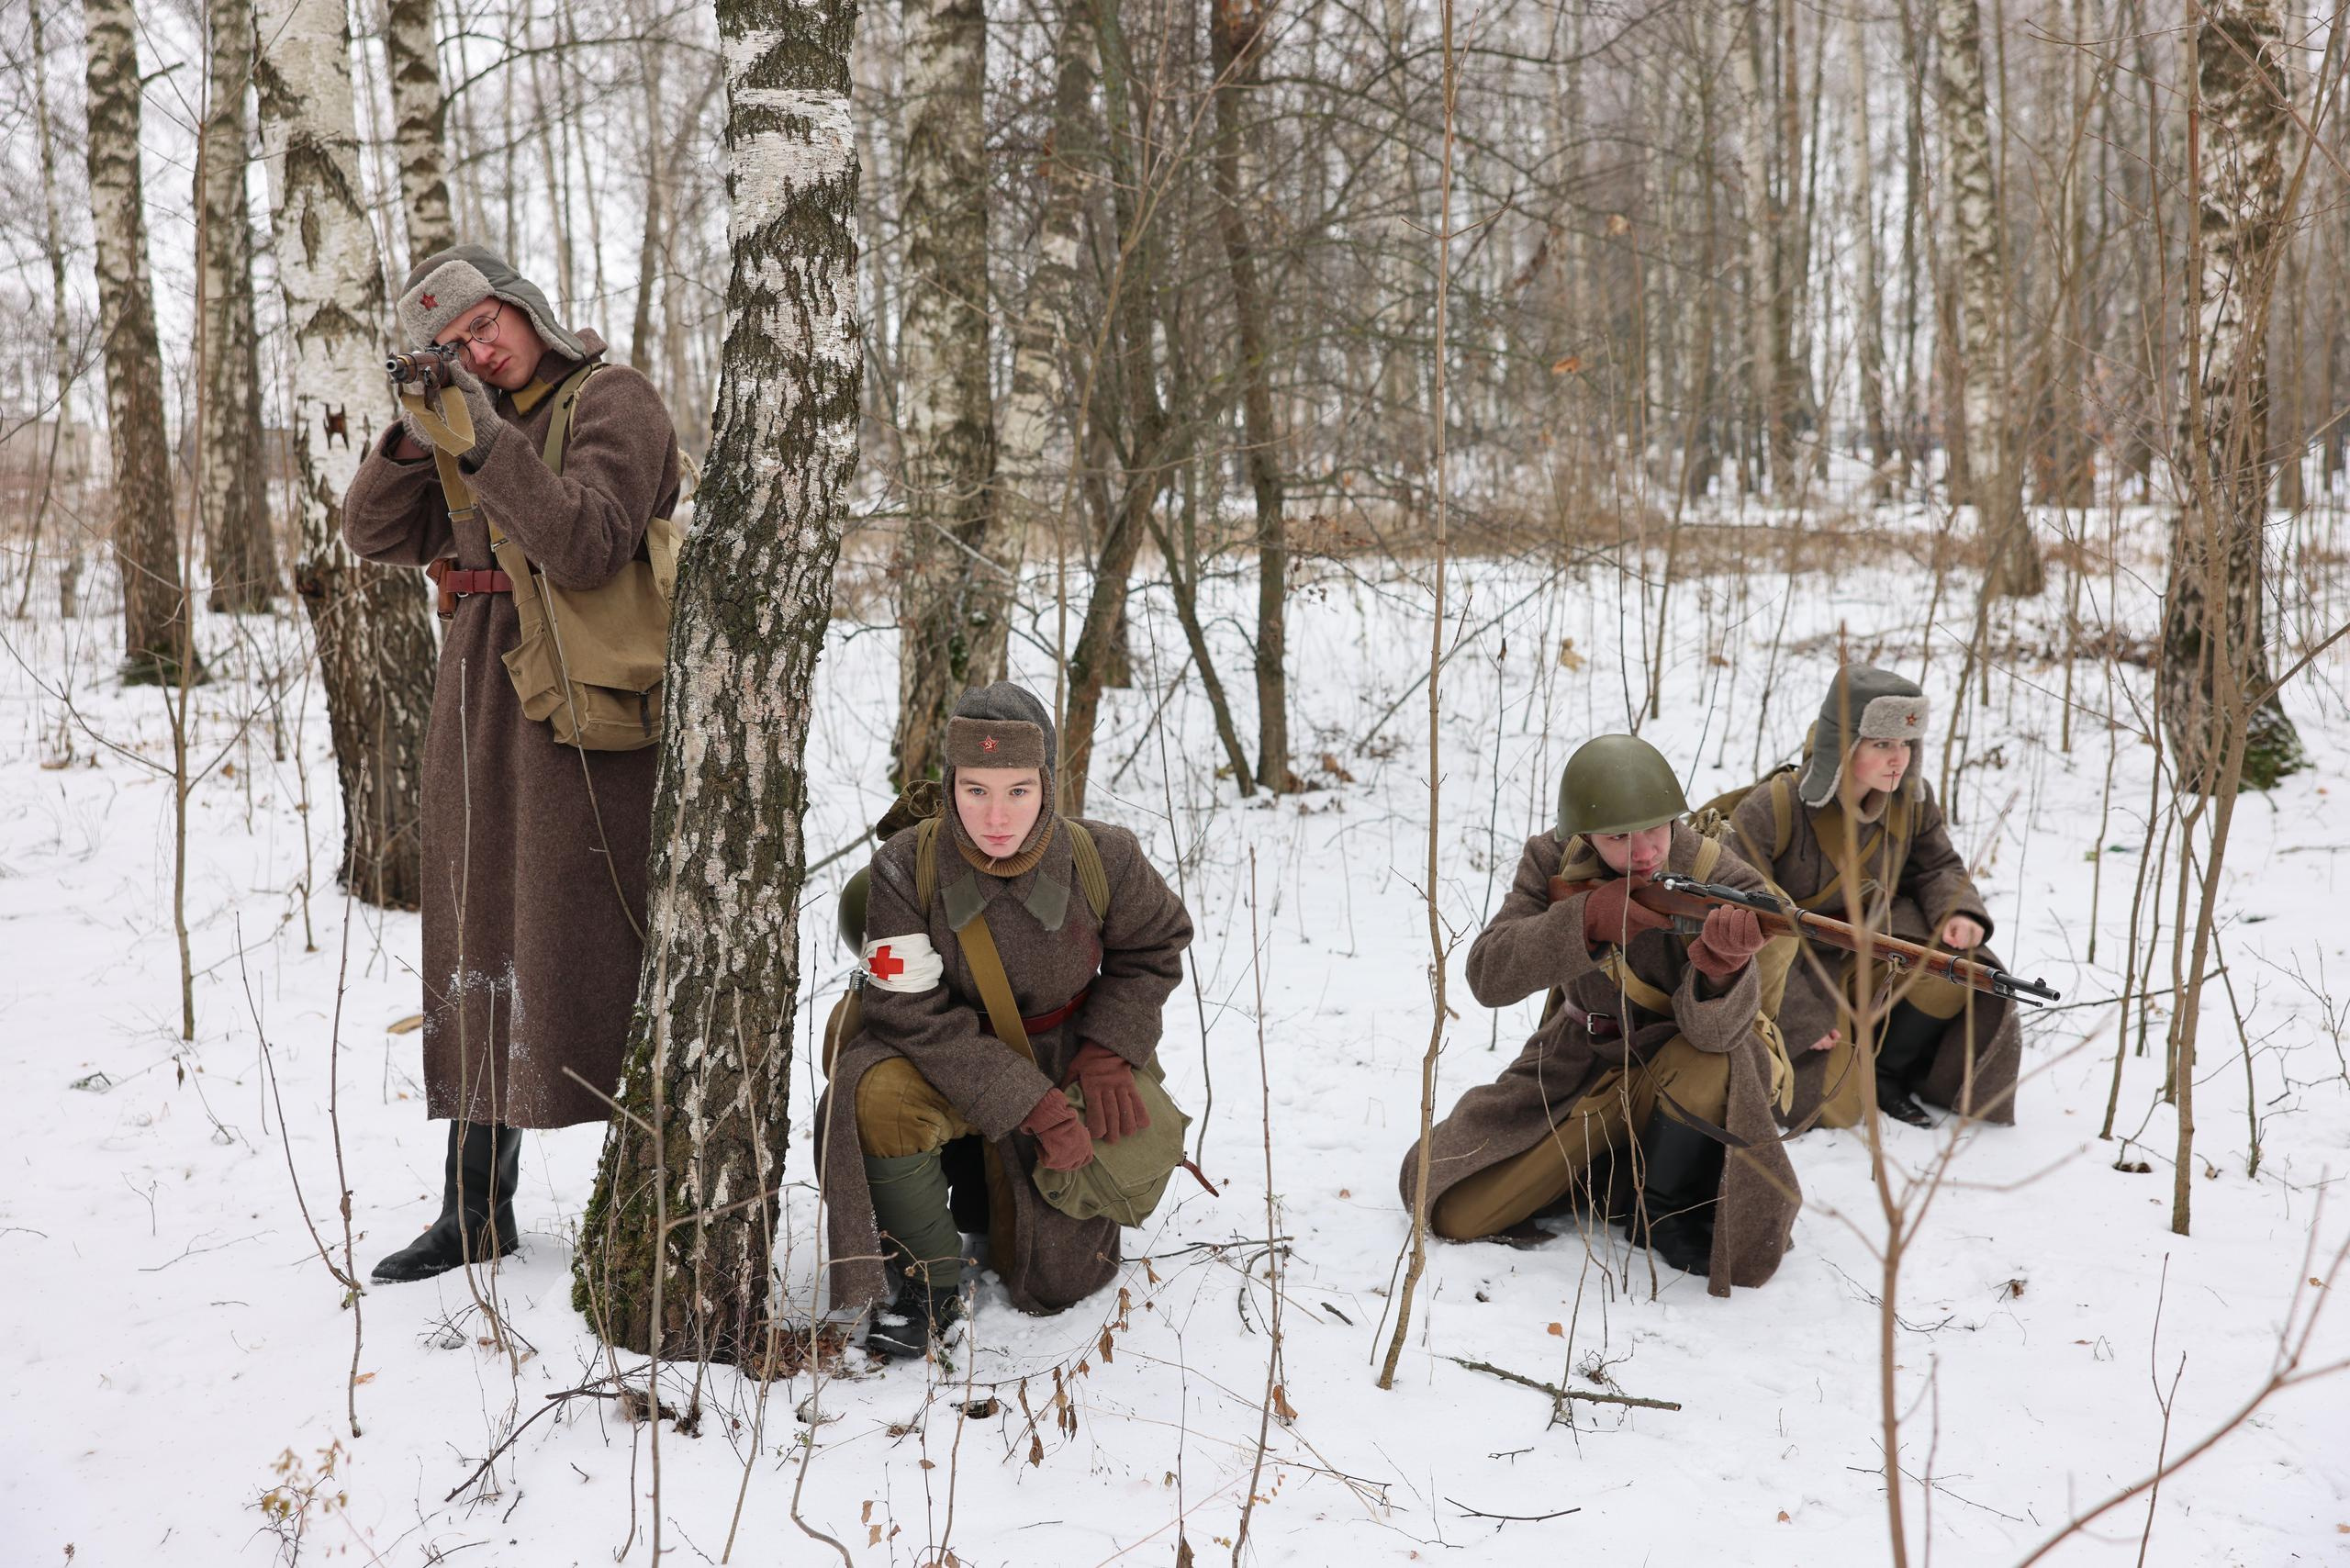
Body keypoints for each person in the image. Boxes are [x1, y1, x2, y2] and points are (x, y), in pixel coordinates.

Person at [341, 243, 680, 1282]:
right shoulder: (459, 418)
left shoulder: (613, 399)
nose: (476, 352)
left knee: (590, 941)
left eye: (484, 328)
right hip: (478, 687)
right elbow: (369, 532)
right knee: (478, 934)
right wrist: (412, 435)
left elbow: (588, 542)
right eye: (451, 346)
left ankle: (669, 1203)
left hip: (584, 705)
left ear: (524, 306)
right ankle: (472, 1211)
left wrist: (486, 442)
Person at [818, 683, 1194, 1361]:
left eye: (1018, 791)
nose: (997, 816)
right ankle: (925, 1284)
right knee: (873, 1092)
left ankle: (994, 1202)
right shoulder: (902, 869)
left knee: (1058, 1282)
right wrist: (1030, 1104)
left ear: (1047, 784)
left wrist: (1110, 1048)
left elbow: (1156, 945)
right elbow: (907, 1012)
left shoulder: (1105, 858)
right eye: (975, 790)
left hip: (1066, 1052)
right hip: (941, 1055)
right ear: (950, 784)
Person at [1399, 734, 1800, 1292]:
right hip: (1577, 1061)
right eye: (1619, 836)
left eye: (1656, 828)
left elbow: (1719, 1037)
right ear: (1585, 834)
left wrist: (1723, 969)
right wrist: (1583, 921)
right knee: (1452, 1210)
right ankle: (1609, 1176)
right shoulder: (1552, 860)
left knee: (1707, 1061)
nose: (1643, 852)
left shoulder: (1724, 877)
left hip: (1678, 1067)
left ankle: (1659, 1208)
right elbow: (1487, 977)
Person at [1727, 666, 2021, 1129]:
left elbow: (1937, 865)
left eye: (1906, 744)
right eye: (1882, 744)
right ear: (1842, 744)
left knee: (1956, 971)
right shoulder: (1773, 808)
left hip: (1875, 942)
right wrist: (1800, 1017)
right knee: (1836, 1111)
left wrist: (1958, 910)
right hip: (1796, 963)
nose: (1898, 759)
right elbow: (1745, 919)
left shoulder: (1912, 800)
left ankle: (1888, 1073)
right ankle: (1857, 1064)